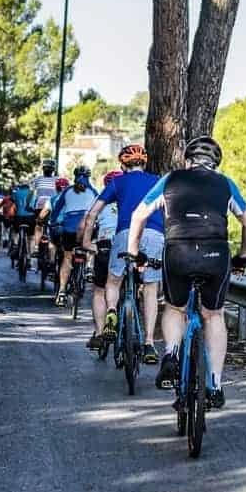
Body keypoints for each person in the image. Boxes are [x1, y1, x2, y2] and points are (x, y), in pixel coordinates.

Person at [128, 136, 246, 410]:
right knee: (213, 315)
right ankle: (215, 384)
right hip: (215, 253)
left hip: (178, 251)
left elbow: (138, 216)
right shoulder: (225, 183)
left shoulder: (170, 180)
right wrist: (243, 256)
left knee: (175, 308)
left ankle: (172, 355)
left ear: (187, 160)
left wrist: (133, 252)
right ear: (215, 163)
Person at [80, 144, 164, 365]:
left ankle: (110, 312)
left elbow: (92, 214)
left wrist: (87, 242)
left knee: (113, 281)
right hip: (155, 234)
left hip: (126, 234)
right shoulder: (157, 181)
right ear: (144, 162)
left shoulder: (117, 182)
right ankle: (148, 343)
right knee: (151, 288)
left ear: (122, 165)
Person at [47, 167, 98, 306]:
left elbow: (57, 210)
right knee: (91, 243)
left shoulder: (67, 191)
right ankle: (89, 266)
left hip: (69, 228)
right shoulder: (93, 191)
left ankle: (62, 292)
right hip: (87, 227)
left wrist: (52, 223)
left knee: (67, 257)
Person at [85, 170, 121, 350]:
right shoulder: (129, 200)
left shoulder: (101, 202)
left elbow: (87, 222)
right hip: (127, 242)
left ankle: (99, 333)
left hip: (105, 244)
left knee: (99, 290)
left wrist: (86, 242)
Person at [28, 159, 59, 252]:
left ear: (43, 168)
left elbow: (31, 193)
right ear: (53, 170)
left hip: (39, 206)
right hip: (53, 207)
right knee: (53, 226)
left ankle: (36, 248)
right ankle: (52, 247)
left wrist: (28, 205)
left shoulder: (37, 179)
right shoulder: (57, 179)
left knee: (38, 226)